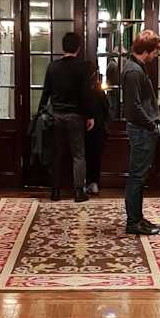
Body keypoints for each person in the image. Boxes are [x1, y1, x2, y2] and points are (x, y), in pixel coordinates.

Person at [39, 31, 94, 202]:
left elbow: (46, 92)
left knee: (57, 154)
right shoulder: (83, 67)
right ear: (78, 48)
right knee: (78, 155)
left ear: (63, 47)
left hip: (56, 115)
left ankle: (55, 191)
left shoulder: (53, 67)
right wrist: (90, 116)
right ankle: (78, 192)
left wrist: (41, 112)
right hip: (75, 116)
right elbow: (86, 95)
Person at [122, 29, 160, 235]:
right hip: (141, 131)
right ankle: (133, 222)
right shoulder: (134, 72)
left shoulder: (136, 68)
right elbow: (133, 107)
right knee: (137, 177)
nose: (156, 55)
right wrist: (151, 125)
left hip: (142, 130)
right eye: (155, 51)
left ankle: (137, 218)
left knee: (139, 176)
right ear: (146, 51)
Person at [85, 65, 110, 195]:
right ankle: (94, 183)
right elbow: (107, 107)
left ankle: (85, 182)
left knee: (85, 156)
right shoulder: (98, 89)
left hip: (84, 126)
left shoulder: (82, 89)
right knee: (96, 156)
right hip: (98, 126)